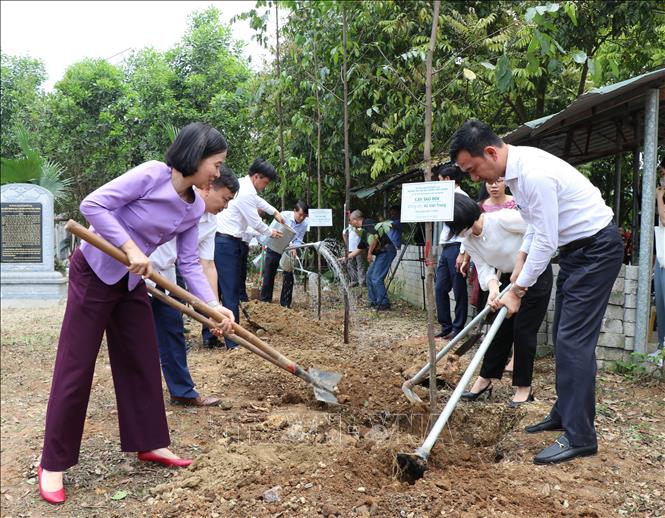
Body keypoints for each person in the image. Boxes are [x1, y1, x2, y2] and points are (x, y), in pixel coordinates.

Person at [38, 122, 235, 505]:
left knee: (142, 362)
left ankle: (150, 443)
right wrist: (130, 247)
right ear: (195, 157)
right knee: (76, 367)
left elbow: (190, 262)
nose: (217, 172)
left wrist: (212, 305)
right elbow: (92, 204)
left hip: (130, 283)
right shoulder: (151, 174)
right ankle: (53, 463)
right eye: (216, 162)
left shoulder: (194, 207)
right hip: (95, 272)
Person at [450, 119, 623, 465]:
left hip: (595, 249)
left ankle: (580, 436)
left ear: (490, 152)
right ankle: (565, 412)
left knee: (573, 342)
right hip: (577, 253)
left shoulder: (532, 174)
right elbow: (534, 228)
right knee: (564, 337)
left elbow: (546, 237)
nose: (474, 178)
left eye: (473, 169)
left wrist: (519, 289)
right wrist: (521, 262)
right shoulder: (516, 173)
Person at [445, 194, 552, 405]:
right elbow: (484, 269)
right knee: (499, 329)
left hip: (535, 273)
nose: (459, 233)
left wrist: (524, 264)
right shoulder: (469, 241)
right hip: (508, 279)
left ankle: (524, 388)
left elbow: (537, 230)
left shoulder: (502, 219)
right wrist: (494, 290)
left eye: (458, 226)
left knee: (523, 331)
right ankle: (485, 380)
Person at [149, 166, 239, 406]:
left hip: (166, 277)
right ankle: (139, 398)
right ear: (208, 188)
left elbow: (205, 264)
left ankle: (183, 392)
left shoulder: (210, 223)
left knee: (172, 331)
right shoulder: (176, 200)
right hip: (138, 272)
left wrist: (213, 309)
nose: (226, 206)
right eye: (225, 199)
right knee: (138, 338)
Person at [214, 158, 283, 349]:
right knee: (229, 291)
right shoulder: (244, 190)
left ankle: (210, 335)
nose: (265, 186)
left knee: (220, 289)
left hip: (227, 242)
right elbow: (254, 221)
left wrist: (274, 212)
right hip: (226, 242)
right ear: (256, 177)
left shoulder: (244, 187)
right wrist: (271, 232)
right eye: (265, 182)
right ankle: (232, 340)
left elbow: (258, 201)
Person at [433, 163, 469, 339]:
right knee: (440, 288)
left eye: (440, 180)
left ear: (448, 180)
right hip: (446, 247)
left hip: (457, 247)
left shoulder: (462, 198)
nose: (439, 184)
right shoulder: (446, 198)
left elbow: (469, 230)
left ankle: (458, 327)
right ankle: (446, 326)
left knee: (458, 289)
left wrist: (463, 252)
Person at [260, 200, 309, 307]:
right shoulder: (283, 216)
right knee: (269, 273)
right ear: (294, 211)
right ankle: (265, 301)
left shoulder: (304, 223)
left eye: (304, 216)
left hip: (288, 251)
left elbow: (299, 238)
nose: (301, 218)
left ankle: (285, 303)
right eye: (300, 215)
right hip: (274, 246)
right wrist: (291, 244)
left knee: (289, 274)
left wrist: (295, 247)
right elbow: (274, 230)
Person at [347, 209, 396, 310]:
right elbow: (360, 248)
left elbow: (374, 237)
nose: (350, 223)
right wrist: (346, 257)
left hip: (386, 251)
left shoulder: (368, 223)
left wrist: (369, 253)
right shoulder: (364, 231)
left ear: (355, 219)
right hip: (381, 253)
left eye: (350, 220)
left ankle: (384, 303)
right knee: (369, 276)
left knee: (377, 278)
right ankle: (373, 301)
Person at [653, 157, 665, 365]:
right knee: (661, 302)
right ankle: (662, 347)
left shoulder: (661, 194)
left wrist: (659, 197)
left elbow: (664, 219)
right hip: (662, 256)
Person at [342, 214, 366, 287]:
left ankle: (362, 281)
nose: (350, 222)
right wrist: (346, 244)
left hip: (358, 249)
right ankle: (354, 281)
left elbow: (361, 235)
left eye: (351, 220)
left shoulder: (359, 227)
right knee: (350, 265)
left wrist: (355, 229)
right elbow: (343, 234)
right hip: (349, 249)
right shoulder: (347, 227)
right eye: (349, 220)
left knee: (360, 265)